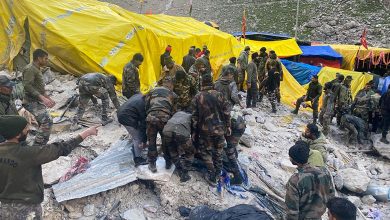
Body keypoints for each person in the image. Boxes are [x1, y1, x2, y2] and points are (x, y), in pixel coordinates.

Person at [0, 115, 99, 220]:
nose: (28, 129)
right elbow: (60, 149)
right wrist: (86, 133)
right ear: (17, 134)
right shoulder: (28, 154)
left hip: (4, 208)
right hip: (28, 209)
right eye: (25, 128)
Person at [192, 74, 231, 186]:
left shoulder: (198, 97)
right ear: (212, 83)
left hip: (205, 131)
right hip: (220, 129)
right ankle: (218, 172)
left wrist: (194, 132)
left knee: (205, 151)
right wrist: (228, 126)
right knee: (218, 151)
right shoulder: (220, 95)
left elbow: (194, 116)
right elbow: (227, 112)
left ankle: (212, 174)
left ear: (202, 83)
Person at [285, 141, 335, 220]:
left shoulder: (295, 180)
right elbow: (332, 196)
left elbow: (292, 211)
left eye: (290, 157)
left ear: (294, 160)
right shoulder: (325, 172)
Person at [214, 66, 245, 184]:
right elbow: (233, 97)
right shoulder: (232, 85)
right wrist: (239, 102)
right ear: (230, 75)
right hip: (231, 115)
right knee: (229, 144)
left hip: (230, 121)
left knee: (229, 148)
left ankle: (237, 176)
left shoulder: (216, 84)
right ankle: (232, 161)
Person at [22, 49, 55, 145]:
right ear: (39, 58)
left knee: (43, 122)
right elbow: (27, 86)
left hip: (36, 101)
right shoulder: (30, 69)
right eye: (45, 59)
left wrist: (48, 98)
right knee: (47, 121)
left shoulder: (37, 69)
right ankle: (38, 146)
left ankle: (40, 143)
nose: (47, 61)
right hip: (30, 101)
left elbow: (39, 87)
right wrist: (42, 98)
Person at [145, 77, 177, 173]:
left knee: (151, 140)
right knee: (166, 141)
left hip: (151, 117)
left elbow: (146, 105)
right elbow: (174, 111)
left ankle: (152, 164)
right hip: (164, 119)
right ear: (171, 84)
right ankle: (168, 162)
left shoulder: (152, 91)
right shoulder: (173, 94)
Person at [162, 111, 194, 182]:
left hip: (166, 130)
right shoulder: (191, 116)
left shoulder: (177, 113)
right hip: (181, 132)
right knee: (190, 152)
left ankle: (179, 169)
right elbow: (193, 132)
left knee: (172, 150)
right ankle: (185, 173)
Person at [117, 94, 148, 167]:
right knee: (137, 137)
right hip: (125, 117)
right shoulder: (143, 105)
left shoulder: (140, 96)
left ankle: (136, 148)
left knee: (137, 134)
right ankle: (138, 159)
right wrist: (144, 141)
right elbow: (144, 124)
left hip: (122, 113)